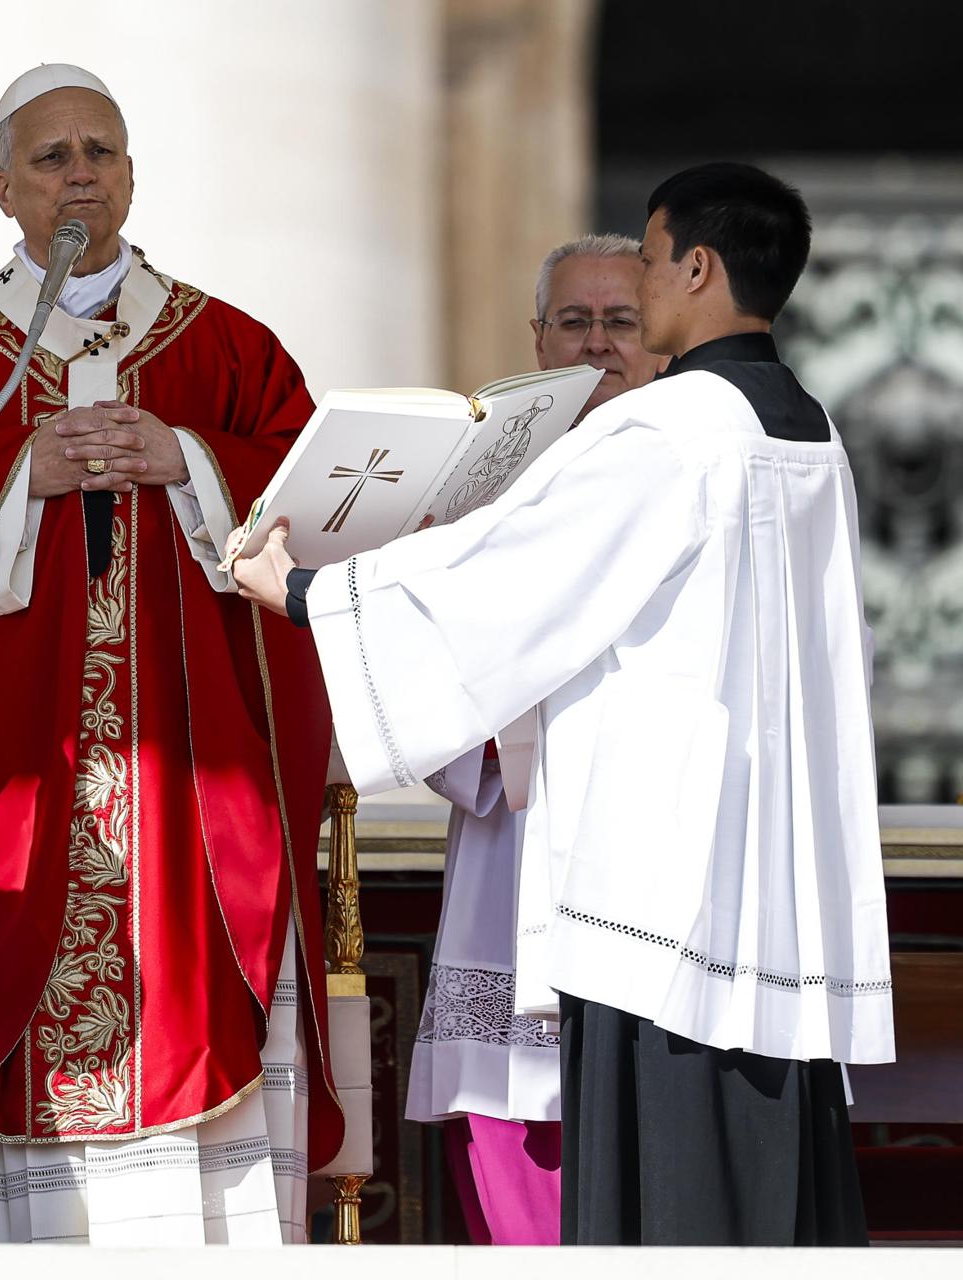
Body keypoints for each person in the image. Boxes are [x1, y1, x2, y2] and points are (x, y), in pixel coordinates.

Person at [233, 162, 890, 1246]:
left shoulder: (665, 433)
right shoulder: (809, 433)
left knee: (665, 1199)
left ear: (697, 265)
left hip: (661, 898)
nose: (636, 280)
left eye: (645, 255)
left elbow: (509, 578)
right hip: (766, 884)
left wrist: (306, 592)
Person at [0, 63, 343, 1244]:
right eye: (51, 158)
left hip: (185, 776)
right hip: (4, 771)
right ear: (3, 187)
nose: (78, 178)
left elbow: (318, 497)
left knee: (192, 1001)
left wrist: (192, 461)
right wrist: (20, 478)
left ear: (130, 174)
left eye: (99, 154)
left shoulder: (226, 344)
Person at [409, 233, 663, 1246]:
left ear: (664, 336)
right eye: (576, 320)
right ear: (537, 336)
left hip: (653, 852)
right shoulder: (478, 488)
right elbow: (422, 670)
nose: (598, 345)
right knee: (514, 1158)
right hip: (514, 857)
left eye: (622, 321)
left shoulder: (706, 463)